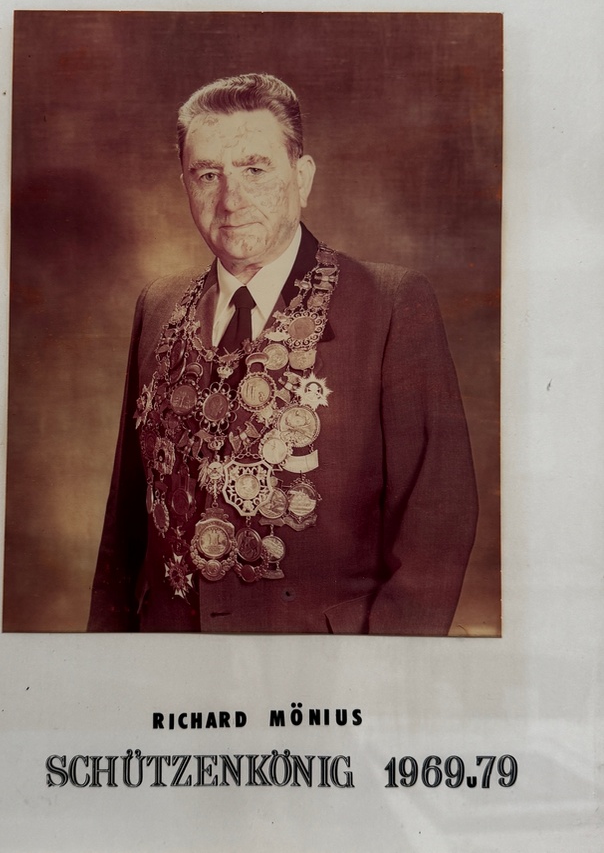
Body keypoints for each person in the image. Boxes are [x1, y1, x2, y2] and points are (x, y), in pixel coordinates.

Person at [88, 72, 478, 635]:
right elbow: (123, 531)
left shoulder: (391, 304)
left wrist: (379, 674)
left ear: (302, 177)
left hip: (321, 667)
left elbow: (436, 528)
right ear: (186, 185)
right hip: (167, 661)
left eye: (255, 169)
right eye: (207, 174)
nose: (231, 199)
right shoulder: (158, 305)